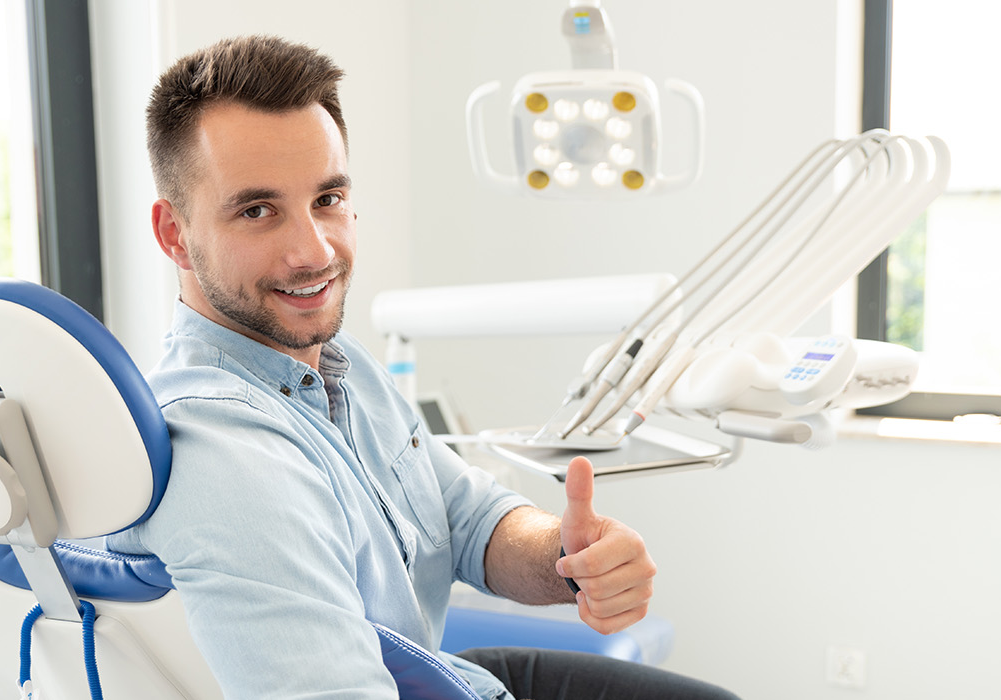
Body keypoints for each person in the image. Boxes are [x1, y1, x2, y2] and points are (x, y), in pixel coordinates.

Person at [103, 35, 739, 700]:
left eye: (327, 199)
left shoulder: (342, 373)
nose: (313, 251)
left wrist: (566, 557)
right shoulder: (224, 452)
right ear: (174, 233)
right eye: (258, 211)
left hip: (446, 675)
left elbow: (466, 518)